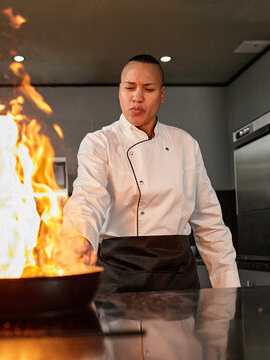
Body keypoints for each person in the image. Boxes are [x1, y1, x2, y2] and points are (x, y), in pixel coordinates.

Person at [63, 54, 240, 293]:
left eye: (148, 88)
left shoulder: (185, 144)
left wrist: (230, 293)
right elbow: (88, 195)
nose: (137, 97)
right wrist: (80, 237)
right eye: (129, 88)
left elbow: (210, 223)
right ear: (119, 92)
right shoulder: (99, 142)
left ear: (162, 94)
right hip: (118, 276)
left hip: (177, 276)